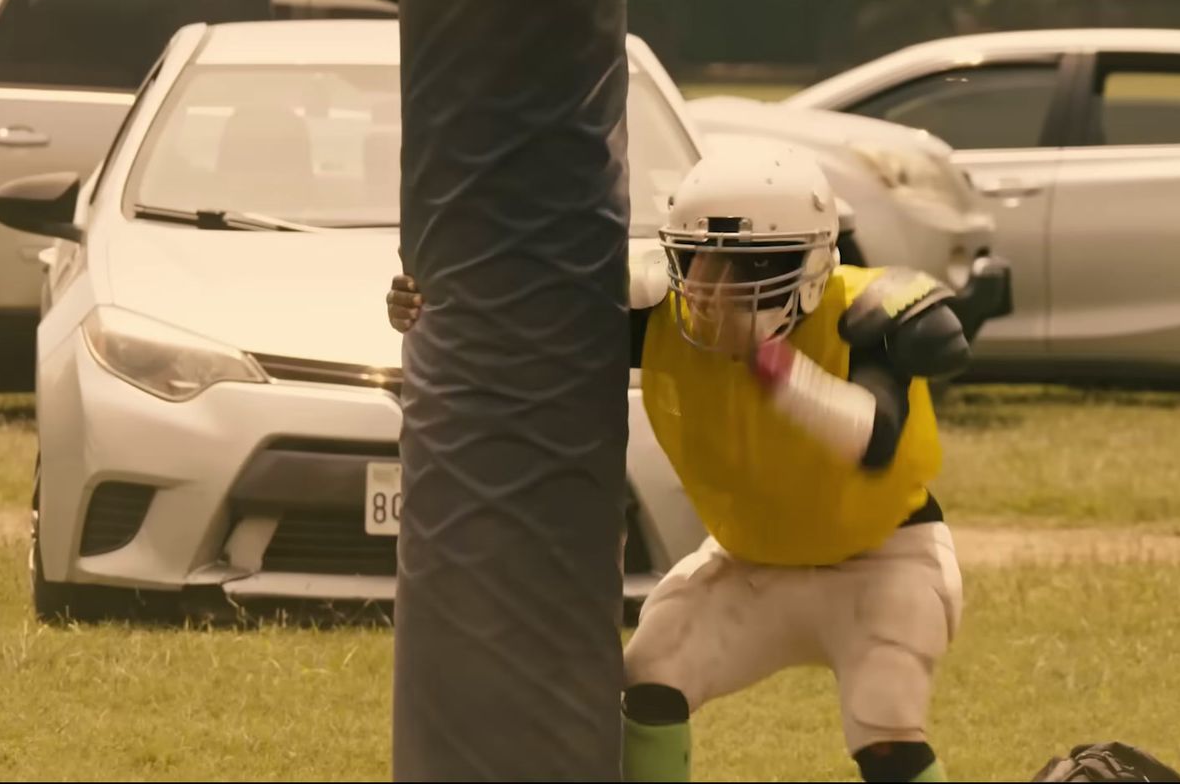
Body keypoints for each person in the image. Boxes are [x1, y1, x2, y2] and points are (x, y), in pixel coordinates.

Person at [387, 142, 968, 783]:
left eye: (751, 264)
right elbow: (522, 328)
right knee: (654, 676)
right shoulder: (658, 312)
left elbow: (874, 437)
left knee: (884, 721)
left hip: (884, 559)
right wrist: (433, 306)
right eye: (702, 259)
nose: (717, 288)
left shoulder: (865, 313)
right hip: (752, 560)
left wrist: (770, 366)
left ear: (814, 262)